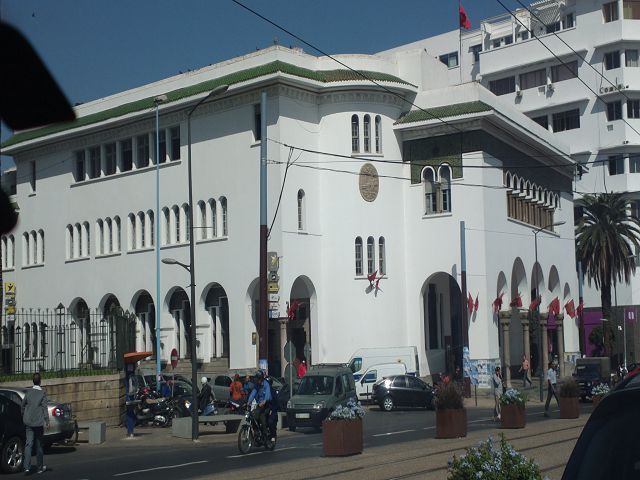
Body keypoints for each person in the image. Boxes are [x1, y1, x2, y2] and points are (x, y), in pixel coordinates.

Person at [21, 373, 49, 475]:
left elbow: (23, 405)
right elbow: (44, 408)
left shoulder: (28, 392)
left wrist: (24, 415)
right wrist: (47, 421)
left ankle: (26, 467)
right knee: (39, 445)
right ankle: (40, 468)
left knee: (28, 444)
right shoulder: (42, 393)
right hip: (38, 422)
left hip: (28, 421)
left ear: (33, 381)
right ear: (40, 381)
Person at [247, 370, 273, 441]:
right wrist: (248, 402)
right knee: (253, 416)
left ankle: (265, 434)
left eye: (258, 378)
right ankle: (256, 432)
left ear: (261, 378)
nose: (256, 380)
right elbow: (253, 393)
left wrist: (264, 401)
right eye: (256, 378)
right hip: (260, 405)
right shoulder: (256, 386)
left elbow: (268, 395)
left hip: (267, 405)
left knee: (262, 417)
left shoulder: (266, 385)